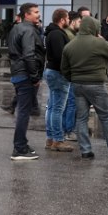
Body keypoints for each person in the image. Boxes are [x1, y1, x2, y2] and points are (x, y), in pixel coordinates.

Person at [61, 15, 108, 158]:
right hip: (96, 84)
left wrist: (73, 78)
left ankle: (85, 151)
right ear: (94, 28)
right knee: (106, 117)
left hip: (78, 85)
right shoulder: (98, 43)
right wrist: (103, 40)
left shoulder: (70, 45)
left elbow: (64, 69)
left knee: (81, 118)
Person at [7, 3, 44, 161]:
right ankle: (19, 148)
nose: (38, 14)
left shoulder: (17, 28)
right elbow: (29, 54)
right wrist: (35, 76)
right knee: (23, 112)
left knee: (23, 111)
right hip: (25, 75)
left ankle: (22, 144)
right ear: (26, 15)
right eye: (35, 12)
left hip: (18, 72)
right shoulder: (28, 30)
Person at [43, 9, 74, 152]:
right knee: (57, 109)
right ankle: (57, 140)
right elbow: (60, 56)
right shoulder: (57, 34)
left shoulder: (52, 32)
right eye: (67, 18)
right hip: (58, 73)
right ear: (62, 20)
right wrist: (67, 71)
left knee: (52, 107)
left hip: (53, 72)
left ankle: (51, 138)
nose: (69, 20)